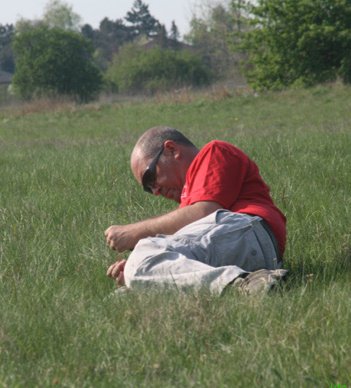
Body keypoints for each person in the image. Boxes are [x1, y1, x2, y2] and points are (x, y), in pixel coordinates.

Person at [105, 126, 289, 295]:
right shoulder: (188, 204)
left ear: (172, 150)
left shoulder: (214, 152)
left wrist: (135, 233)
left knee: (143, 254)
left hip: (250, 229)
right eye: (148, 188)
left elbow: (205, 211)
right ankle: (250, 283)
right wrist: (135, 272)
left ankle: (237, 285)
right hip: (246, 249)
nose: (155, 191)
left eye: (150, 177)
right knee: (122, 293)